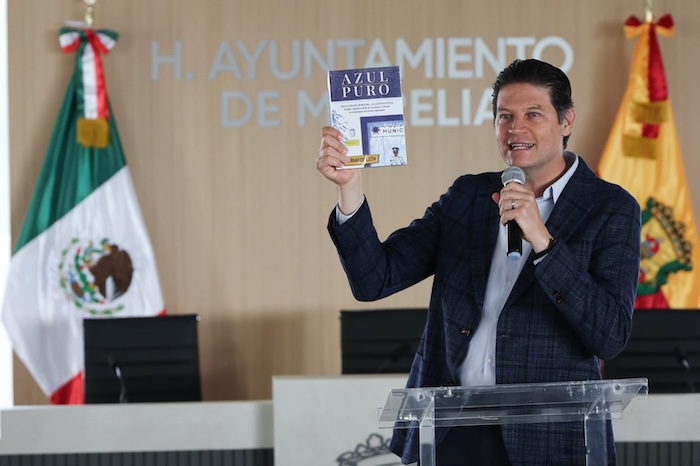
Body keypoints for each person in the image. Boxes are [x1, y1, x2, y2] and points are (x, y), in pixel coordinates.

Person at [316, 59, 641, 465]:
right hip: (452, 429)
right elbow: (374, 280)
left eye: (533, 114)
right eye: (504, 116)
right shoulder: (468, 197)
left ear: (566, 121)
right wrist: (350, 189)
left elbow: (610, 334)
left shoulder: (610, 207)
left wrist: (543, 240)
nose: (515, 129)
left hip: (548, 436)